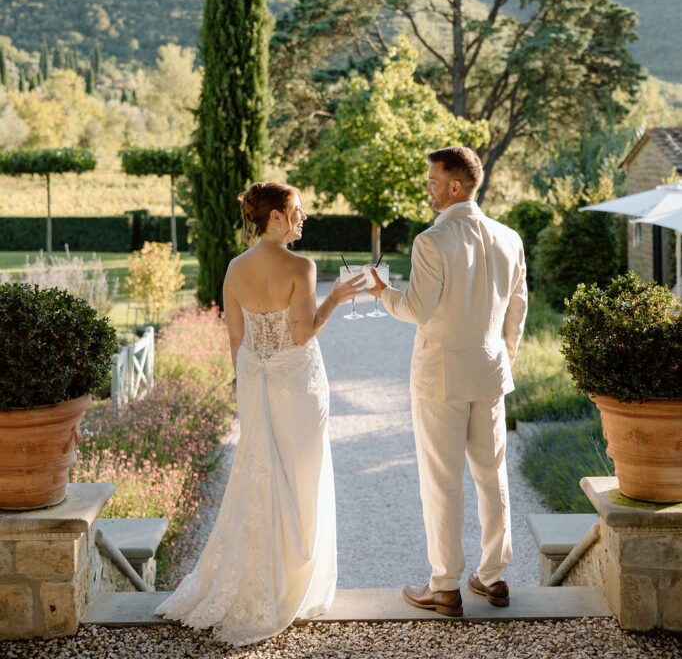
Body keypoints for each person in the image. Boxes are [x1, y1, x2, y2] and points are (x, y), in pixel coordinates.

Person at [155, 181, 364, 646]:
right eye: (297, 210)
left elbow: (235, 337)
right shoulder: (302, 267)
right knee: (301, 474)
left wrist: (247, 388)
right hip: (297, 382)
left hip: (254, 377)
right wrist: (336, 297)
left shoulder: (234, 267)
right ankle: (295, 583)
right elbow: (303, 333)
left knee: (258, 474)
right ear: (274, 217)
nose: (303, 217)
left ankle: (253, 581)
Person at [368, 146, 527, 617]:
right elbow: (516, 312)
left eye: (434, 181)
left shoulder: (431, 241)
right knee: (492, 476)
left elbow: (416, 310)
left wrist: (382, 293)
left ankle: (444, 586)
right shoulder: (508, 238)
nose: (429, 188)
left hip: (440, 378)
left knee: (442, 483)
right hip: (491, 373)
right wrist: (502, 362)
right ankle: (494, 577)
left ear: (455, 186)